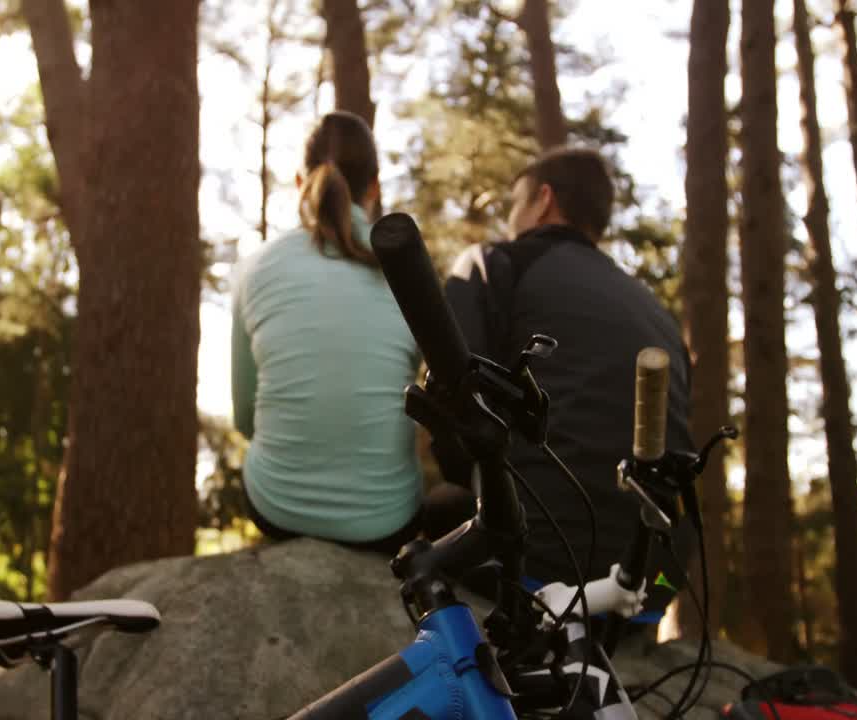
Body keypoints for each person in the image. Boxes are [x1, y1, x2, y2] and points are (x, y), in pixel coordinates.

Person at [426, 146, 694, 611]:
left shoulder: (491, 264)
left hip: (535, 573)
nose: (511, 219)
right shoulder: (657, 313)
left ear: (543, 199)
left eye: (515, 203)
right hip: (653, 584)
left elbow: (452, 407)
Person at [230, 111, 423, 555]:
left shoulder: (255, 267)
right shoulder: (408, 269)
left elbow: (244, 419)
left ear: (300, 182)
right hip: (388, 519)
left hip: (278, 509)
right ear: (374, 187)